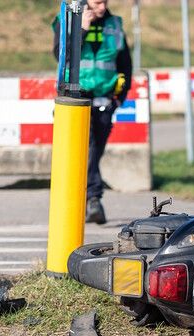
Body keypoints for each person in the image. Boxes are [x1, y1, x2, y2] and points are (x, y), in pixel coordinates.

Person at [52, 0, 132, 224]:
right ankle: (92, 199)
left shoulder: (114, 24)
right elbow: (61, 56)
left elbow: (125, 62)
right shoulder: (66, 20)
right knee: (86, 148)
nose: (103, 7)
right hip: (76, 99)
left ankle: (88, 199)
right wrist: (82, 29)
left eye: (105, 2)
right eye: (98, 2)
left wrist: (120, 96)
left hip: (105, 99)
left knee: (96, 151)